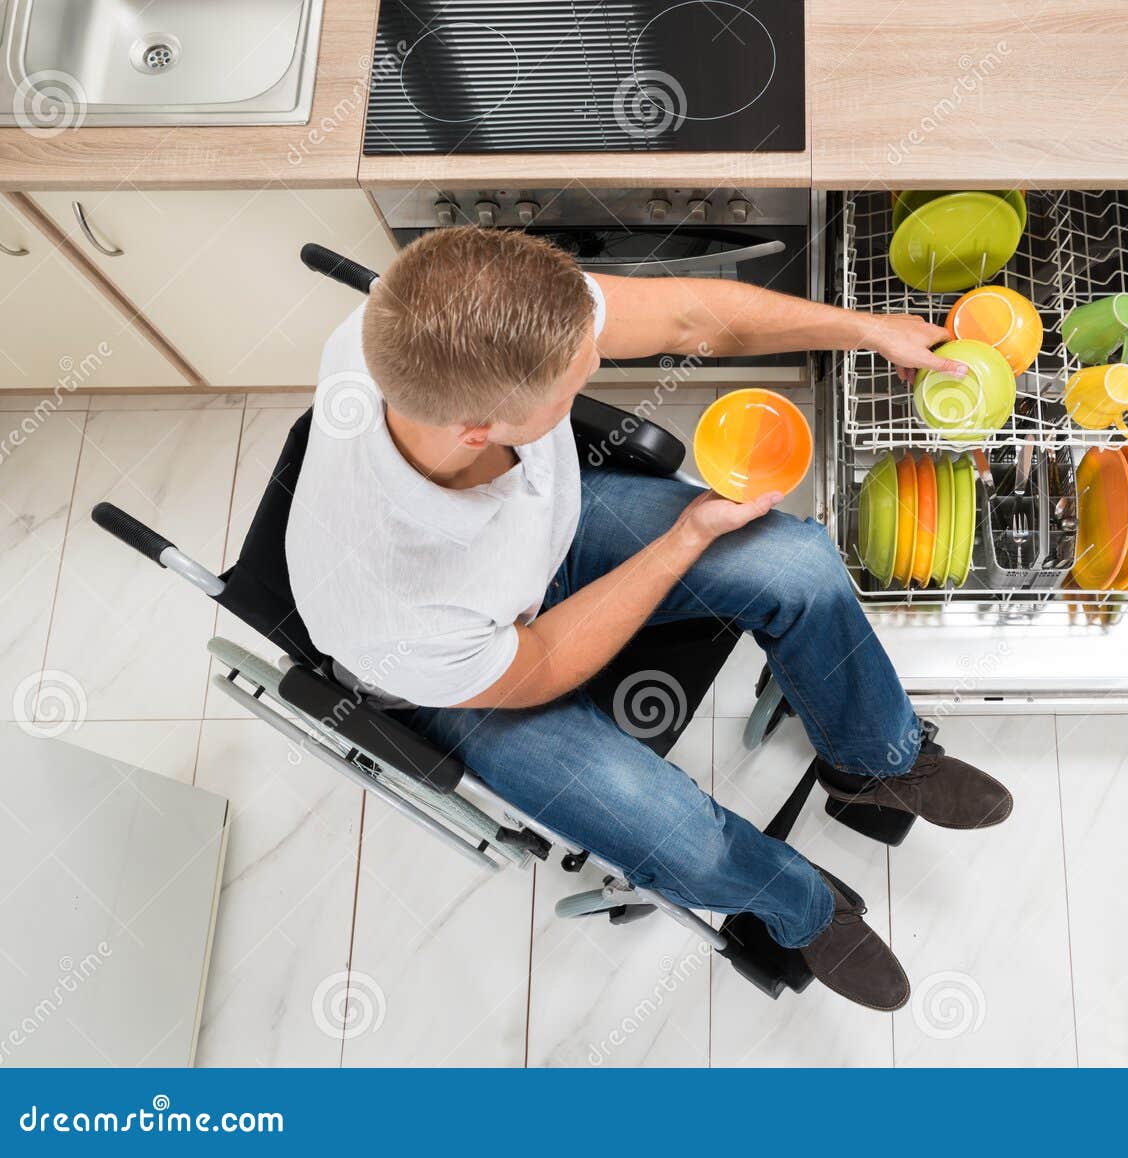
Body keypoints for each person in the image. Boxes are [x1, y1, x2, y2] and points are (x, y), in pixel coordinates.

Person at [286, 227, 1013, 1011]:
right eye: (569, 389)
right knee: (677, 836)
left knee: (798, 564)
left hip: (537, 538)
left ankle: (875, 763)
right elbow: (541, 664)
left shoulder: (413, 326)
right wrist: (685, 539)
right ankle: (797, 906)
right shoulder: (394, 603)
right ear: (477, 431)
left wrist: (865, 330)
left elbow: (683, 321)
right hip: (475, 671)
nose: (594, 368)